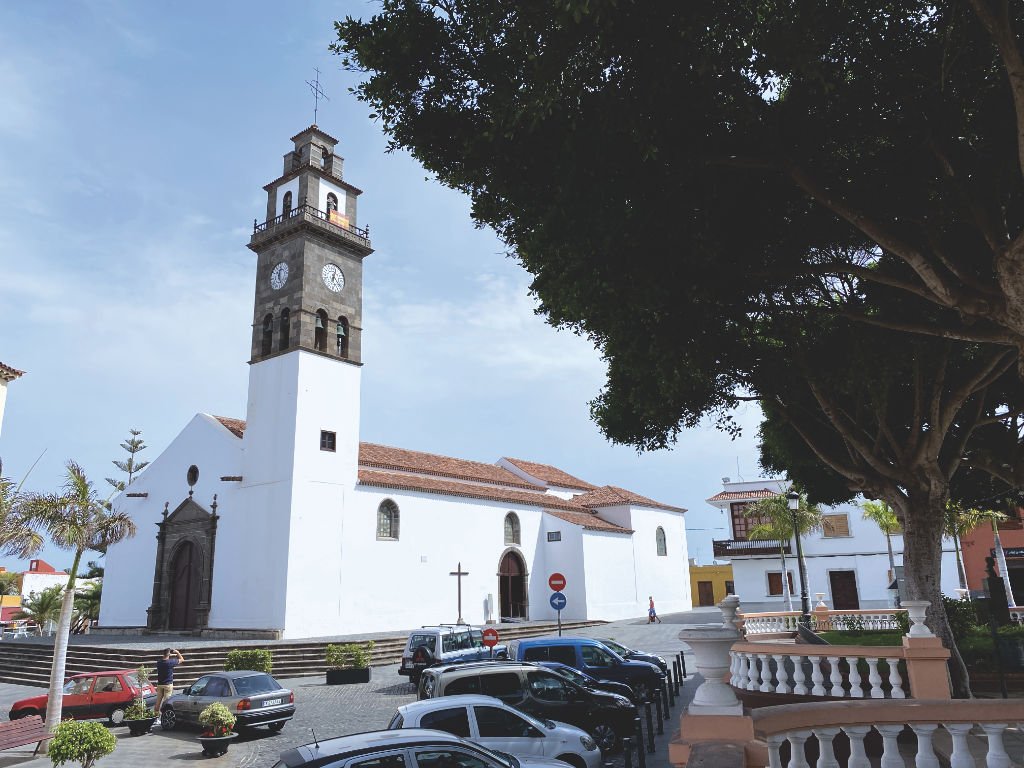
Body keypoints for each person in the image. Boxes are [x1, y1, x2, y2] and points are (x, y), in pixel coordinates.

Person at [154, 647, 185, 724]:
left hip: (160, 684)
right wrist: (177, 652)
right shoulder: (170, 662)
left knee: (158, 702)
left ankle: (155, 718)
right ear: (169, 654)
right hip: (168, 685)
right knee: (166, 703)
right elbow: (182, 659)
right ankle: (163, 718)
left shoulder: (159, 662)